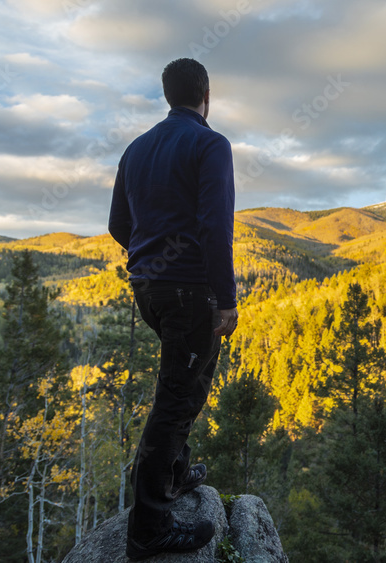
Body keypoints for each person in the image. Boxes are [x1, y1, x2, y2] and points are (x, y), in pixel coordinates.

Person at [107, 57, 239, 559]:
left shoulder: (136, 148)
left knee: (188, 386)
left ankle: (176, 474)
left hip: (150, 289)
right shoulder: (211, 144)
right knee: (176, 401)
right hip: (191, 293)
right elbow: (214, 227)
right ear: (207, 94)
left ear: (167, 96)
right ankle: (149, 529)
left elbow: (121, 225)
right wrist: (225, 300)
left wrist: (152, 255)